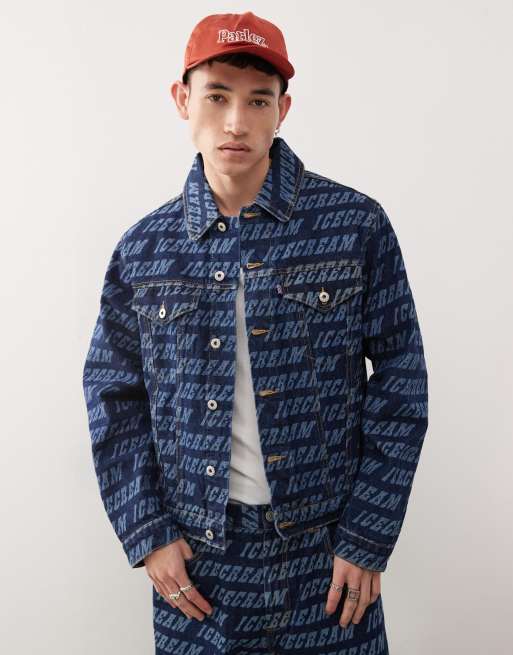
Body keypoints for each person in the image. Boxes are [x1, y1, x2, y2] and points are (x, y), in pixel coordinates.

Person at [82, 10, 428, 654]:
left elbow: (401, 382)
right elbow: (112, 397)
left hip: (327, 560)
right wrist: (148, 533)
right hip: (199, 567)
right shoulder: (144, 250)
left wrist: (367, 535)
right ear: (182, 100)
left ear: (282, 110)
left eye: (258, 101)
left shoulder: (354, 226)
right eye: (216, 97)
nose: (236, 122)